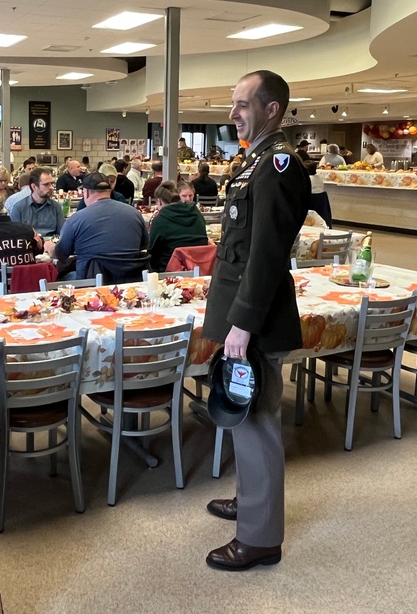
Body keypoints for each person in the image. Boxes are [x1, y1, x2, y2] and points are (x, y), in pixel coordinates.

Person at [203, 70, 310, 572]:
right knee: (242, 416)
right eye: (233, 103)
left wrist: (241, 325)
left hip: (257, 318)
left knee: (259, 420)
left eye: (242, 104)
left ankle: (261, 537)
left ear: (271, 110)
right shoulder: (254, 160)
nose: (232, 113)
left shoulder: (280, 165)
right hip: (241, 312)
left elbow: (266, 254)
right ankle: (250, 500)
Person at [45, 172, 147, 279]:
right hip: (130, 279)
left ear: (86, 192)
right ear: (110, 190)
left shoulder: (76, 219)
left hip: (91, 282)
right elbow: (143, 245)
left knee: (58, 277)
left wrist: (49, 246)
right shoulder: (135, 214)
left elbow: (61, 254)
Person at [148, 182, 208, 272]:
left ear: (159, 201)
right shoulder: (196, 213)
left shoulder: (160, 220)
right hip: (199, 268)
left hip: (169, 271)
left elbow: (152, 251)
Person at [9, 167, 65, 238]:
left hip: (51, 244)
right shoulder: (19, 208)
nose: (51, 187)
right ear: (34, 187)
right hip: (28, 245)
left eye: (52, 183)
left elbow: (62, 234)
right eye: (46, 184)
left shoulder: (56, 207)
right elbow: (15, 237)